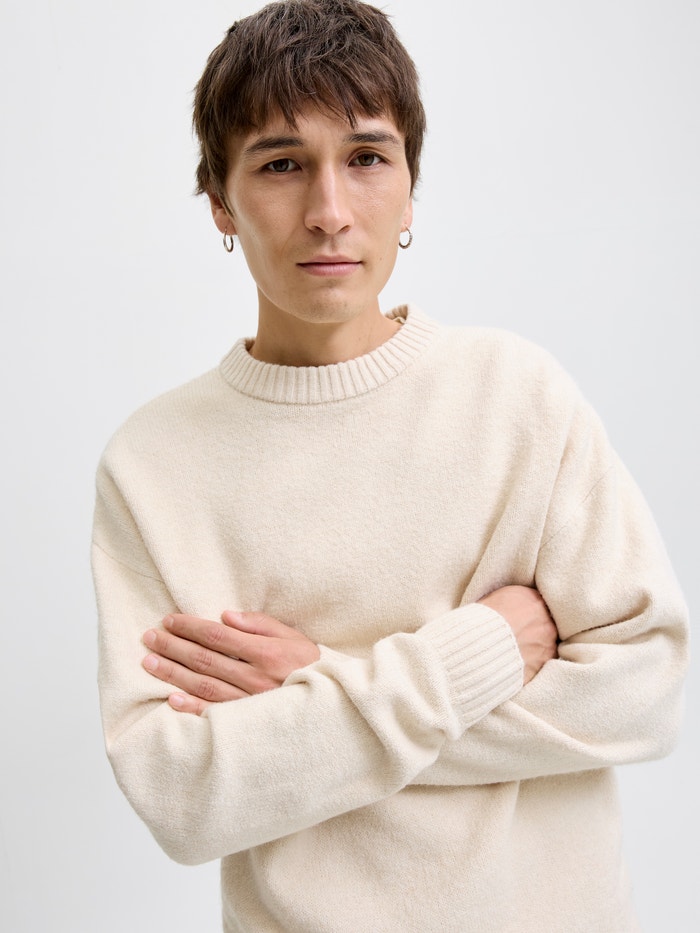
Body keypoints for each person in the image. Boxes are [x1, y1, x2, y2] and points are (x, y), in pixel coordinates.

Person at [92, 1, 689, 930]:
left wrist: (310, 684)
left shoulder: (517, 396)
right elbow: (182, 797)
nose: (329, 212)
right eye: (282, 164)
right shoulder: (154, 463)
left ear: (410, 190)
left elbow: (644, 693)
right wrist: (481, 653)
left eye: (367, 157)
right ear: (220, 202)